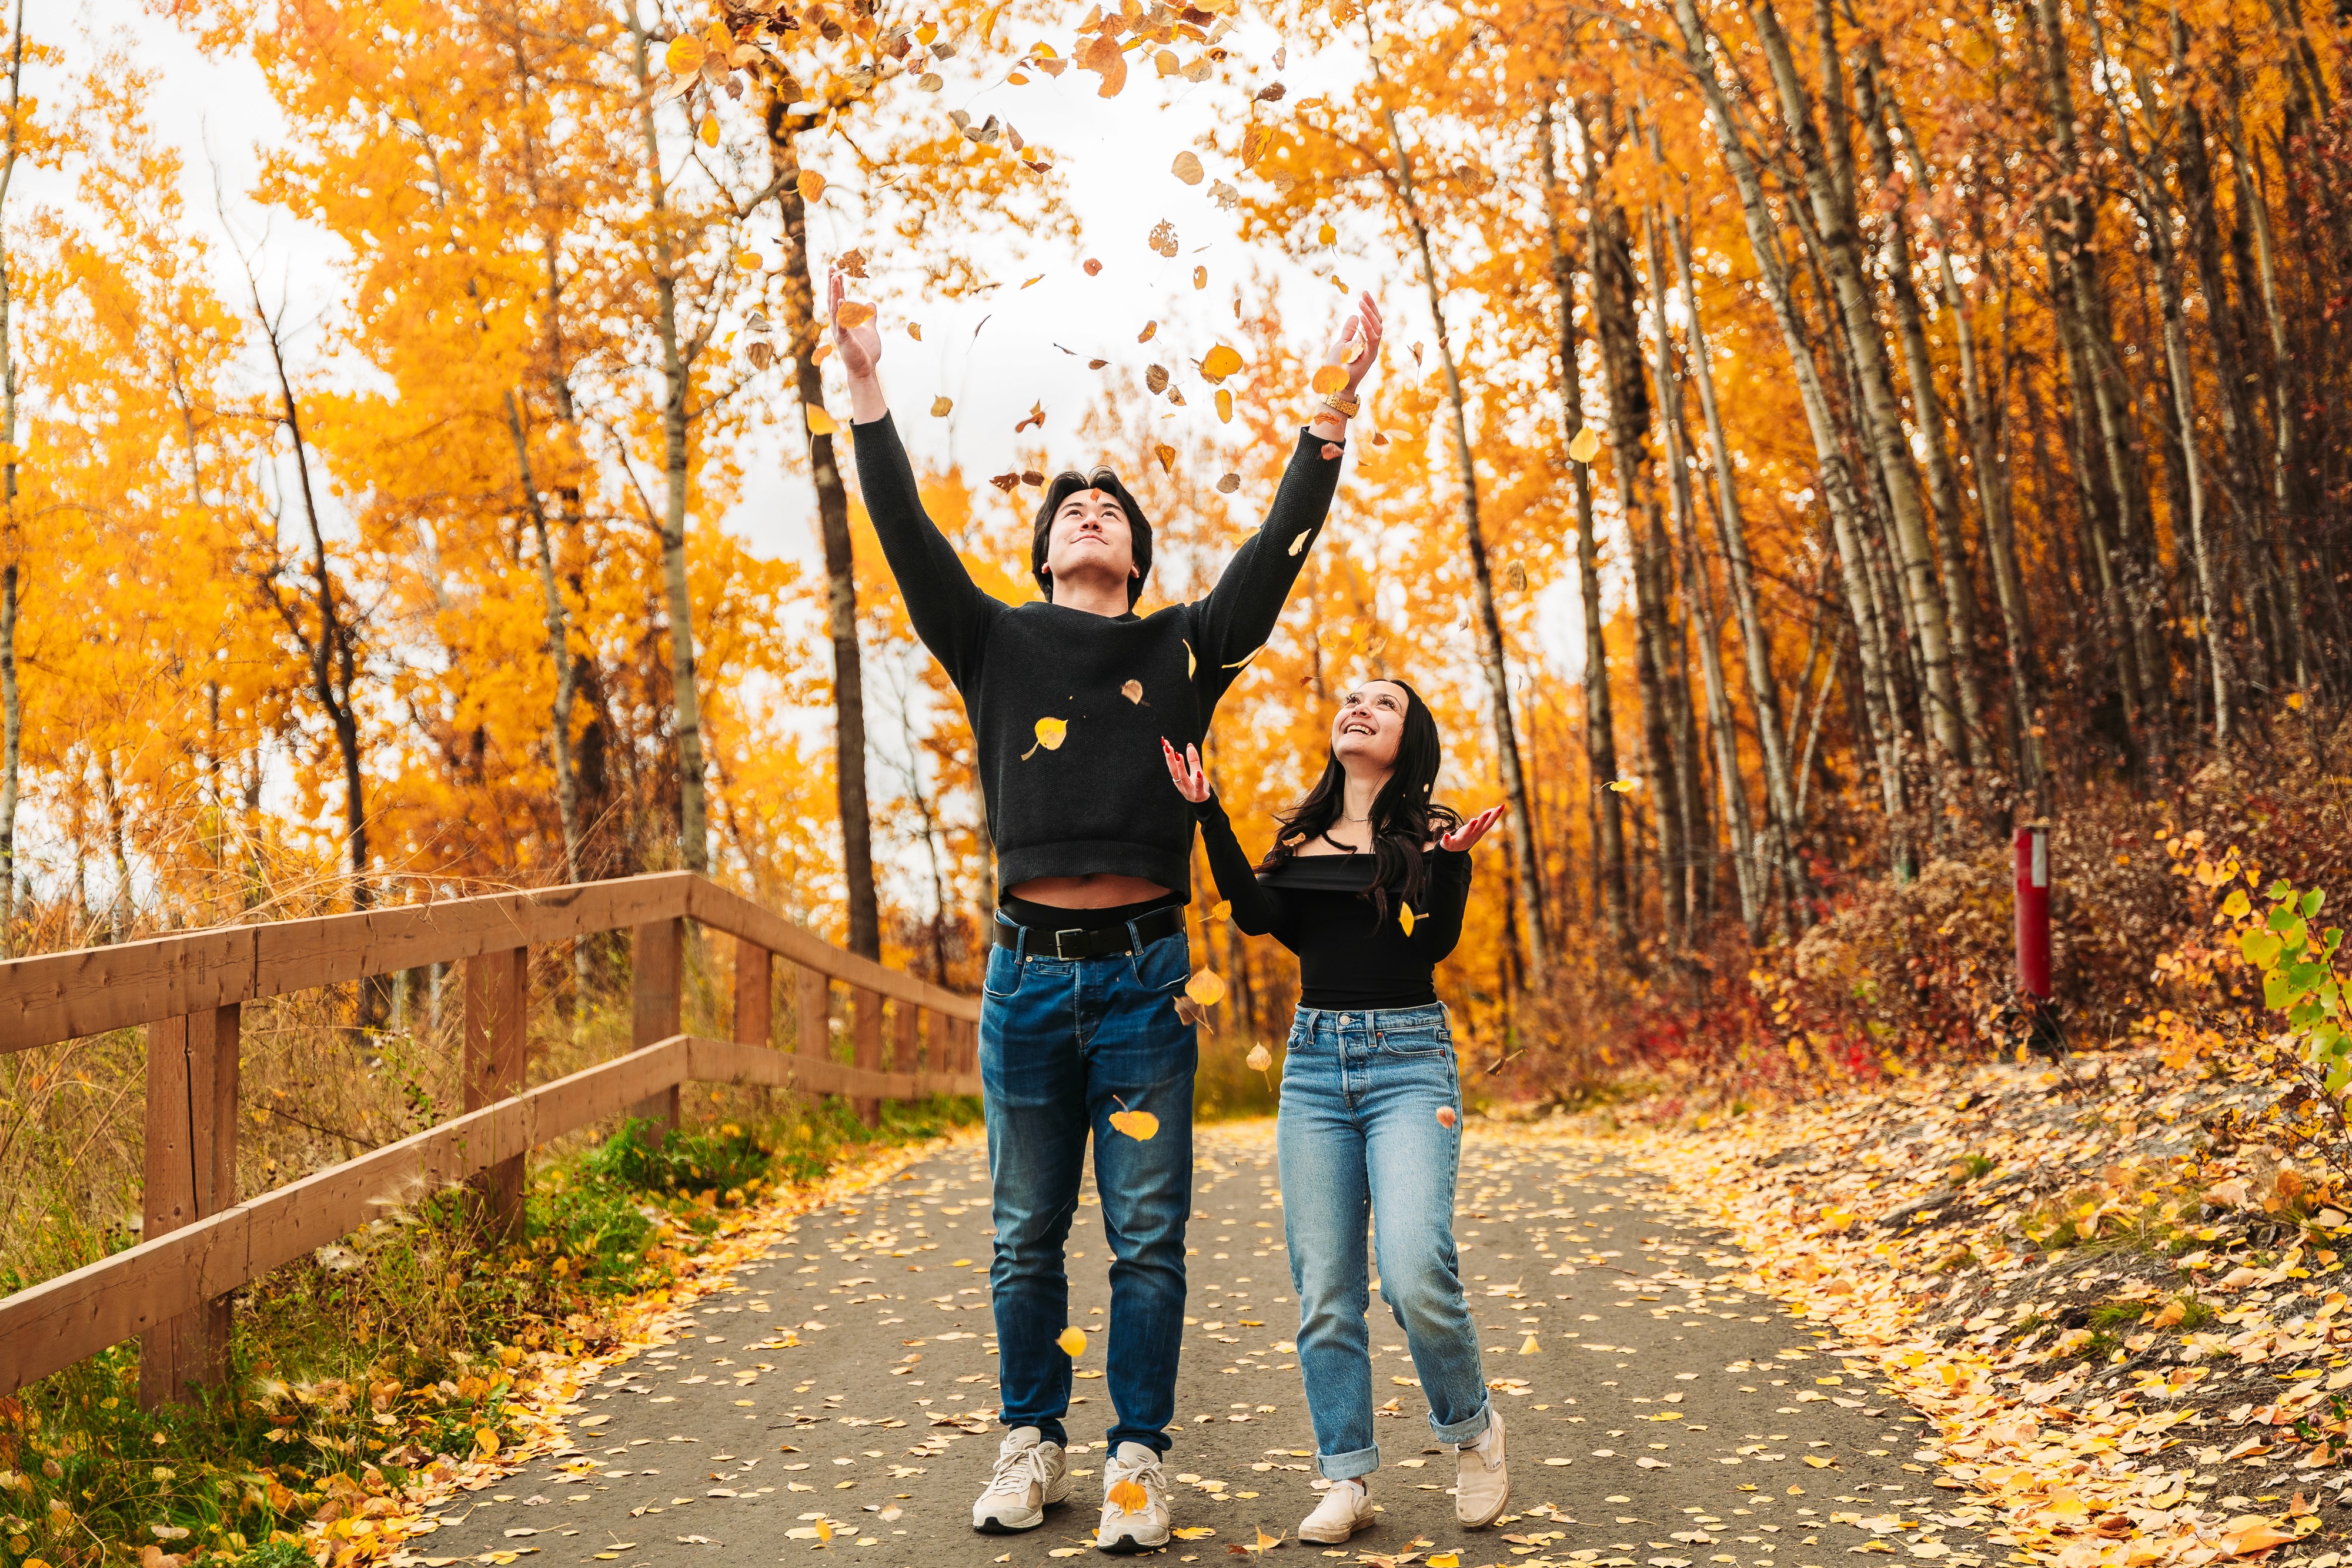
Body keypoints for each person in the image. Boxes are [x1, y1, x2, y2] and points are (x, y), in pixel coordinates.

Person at [829, 268, 1382, 1553]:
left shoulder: (1182, 647)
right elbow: (905, 536)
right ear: (1045, 555)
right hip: (1025, 981)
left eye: (1110, 507)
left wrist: (1326, 417)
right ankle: (1032, 1440)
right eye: (1070, 505)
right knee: (1023, 1233)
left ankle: (1138, 1455)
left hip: (1144, 981)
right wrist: (865, 388)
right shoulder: (994, 641)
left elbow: (1269, 566)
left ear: (1133, 558)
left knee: (1145, 1233)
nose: (1089, 509)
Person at [1160, 679, 1507, 1546]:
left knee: (1414, 1269)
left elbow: (1430, 945)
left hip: (1409, 1063)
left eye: (1383, 704)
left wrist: (1454, 863)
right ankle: (1346, 1476)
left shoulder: (1427, 836)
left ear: (1407, 739)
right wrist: (1209, 812)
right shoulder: (1303, 840)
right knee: (1325, 1291)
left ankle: (1472, 1429)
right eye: (1351, 698)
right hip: (1315, 1067)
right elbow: (1255, 915)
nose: (1359, 706)